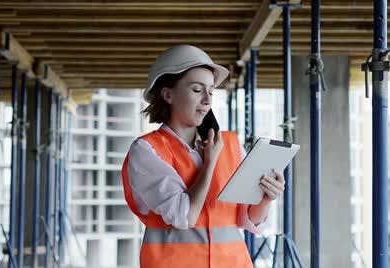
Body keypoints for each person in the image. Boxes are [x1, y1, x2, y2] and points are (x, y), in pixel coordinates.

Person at [121, 45, 286, 267]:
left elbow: (247, 218)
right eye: (198, 90)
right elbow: (185, 216)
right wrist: (210, 163)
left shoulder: (229, 145)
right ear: (168, 94)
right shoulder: (148, 150)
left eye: (211, 91)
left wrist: (266, 199)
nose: (208, 100)